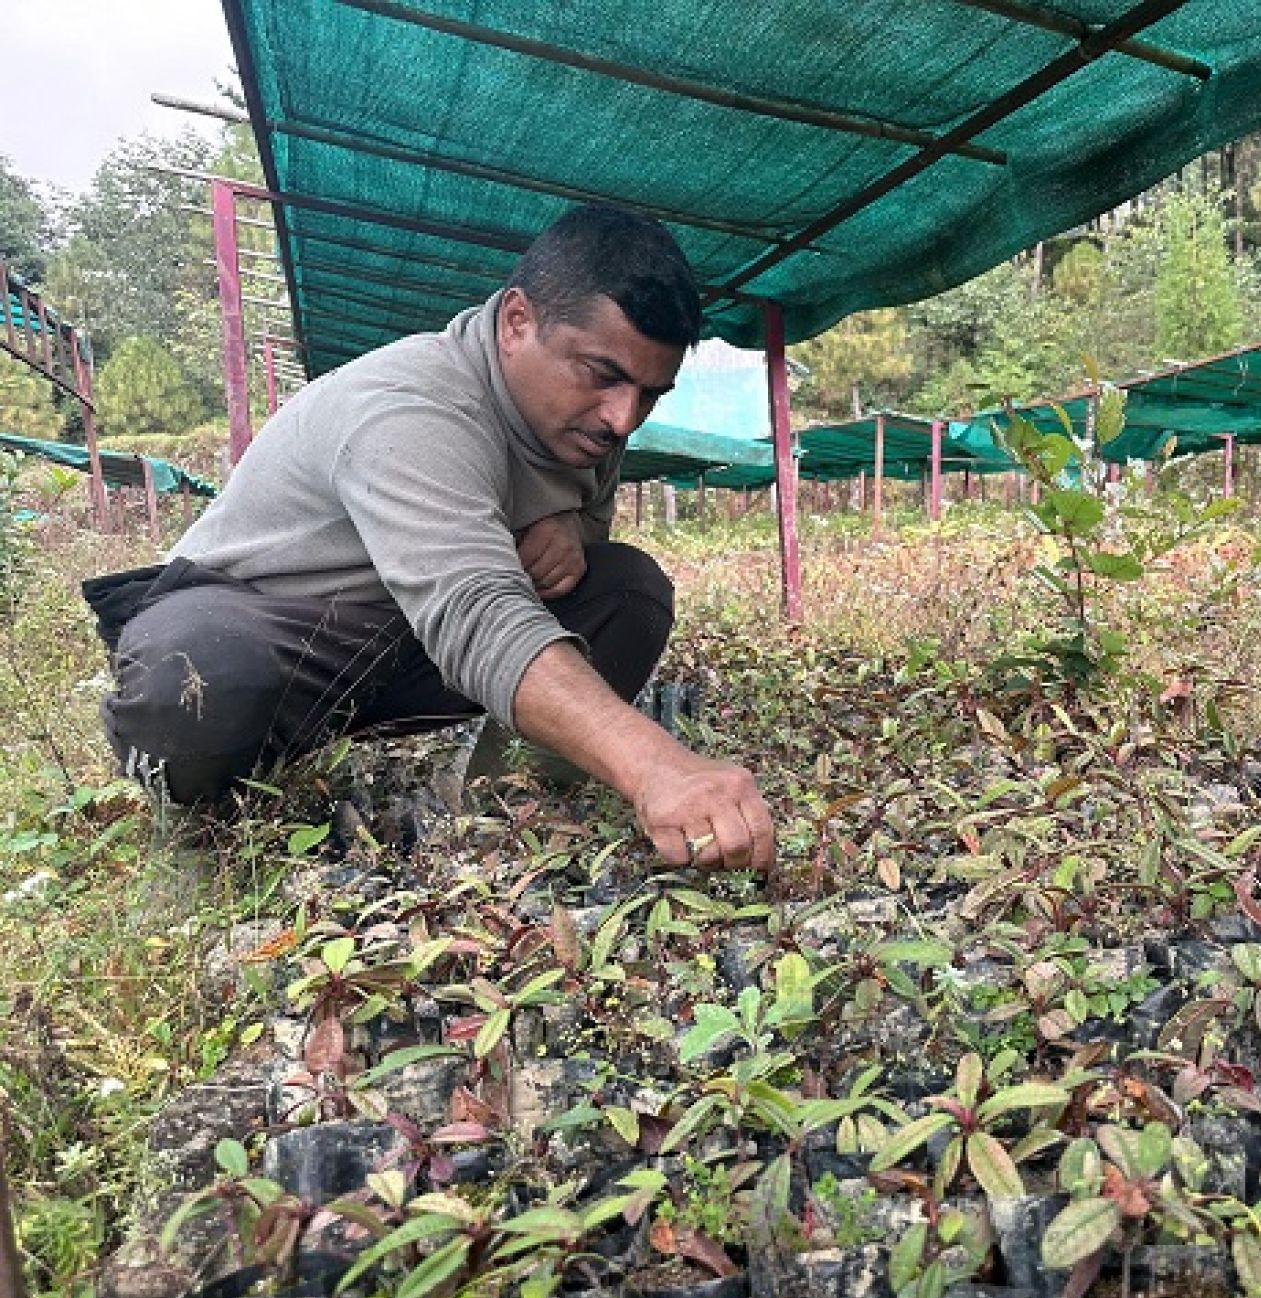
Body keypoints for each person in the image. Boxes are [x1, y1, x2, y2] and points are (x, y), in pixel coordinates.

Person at [81, 206, 775, 874]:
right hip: (280, 631)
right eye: (603, 375)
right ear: (516, 322)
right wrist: (657, 765)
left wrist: (573, 527)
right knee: (199, 675)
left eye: (652, 393)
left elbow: (582, 528)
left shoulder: (587, 424)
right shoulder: (413, 406)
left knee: (628, 589)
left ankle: (506, 802)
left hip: (405, 643)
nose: (624, 418)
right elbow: (474, 610)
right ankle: (206, 828)